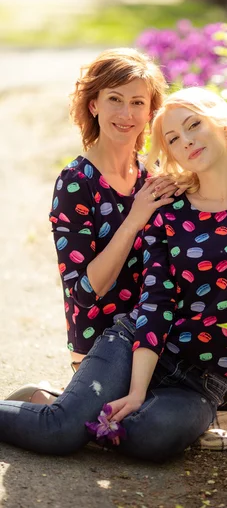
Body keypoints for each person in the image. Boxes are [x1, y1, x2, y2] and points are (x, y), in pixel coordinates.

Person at [0, 87, 227, 461]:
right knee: (59, 433)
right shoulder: (170, 210)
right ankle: (64, 413)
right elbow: (157, 301)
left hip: (201, 379)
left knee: (149, 439)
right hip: (134, 346)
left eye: (194, 126)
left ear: (222, 125)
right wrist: (138, 390)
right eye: (173, 139)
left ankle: (69, 407)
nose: (186, 141)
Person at [6, 48, 179, 404]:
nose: (126, 114)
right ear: (94, 104)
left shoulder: (153, 178)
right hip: (100, 342)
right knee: (107, 424)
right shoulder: (76, 182)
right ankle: (45, 401)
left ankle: (67, 402)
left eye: (137, 102)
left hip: (154, 336)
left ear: (151, 111)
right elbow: (85, 292)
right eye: (114, 99)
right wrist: (135, 218)